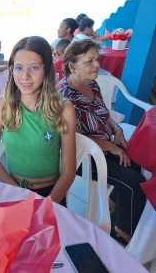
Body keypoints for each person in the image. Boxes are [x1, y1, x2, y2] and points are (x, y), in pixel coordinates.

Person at [57, 39, 146, 244]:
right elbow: (73, 136)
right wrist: (111, 147)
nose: (97, 65)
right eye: (90, 61)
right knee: (135, 183)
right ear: (72, 65)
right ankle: (122, 233)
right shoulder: (64, 94)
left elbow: (105, 114)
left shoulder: (92, 83)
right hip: (84, 156)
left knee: (138, 162)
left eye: (97, 59)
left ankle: (116, 206)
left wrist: (116, 129)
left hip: (106, 146)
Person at [0, 36, 77, 206]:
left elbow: (69, 171)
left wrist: (45, 206)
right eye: (19, 68)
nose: (25, 76)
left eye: (34, 67)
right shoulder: (2, 104)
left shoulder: (64, 110)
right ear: (11, 70)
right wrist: (18, 194)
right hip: (13, 189)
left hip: (50, 196)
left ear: (47, 69)